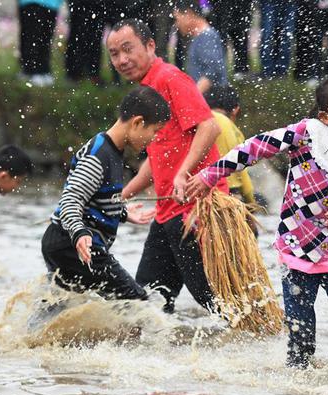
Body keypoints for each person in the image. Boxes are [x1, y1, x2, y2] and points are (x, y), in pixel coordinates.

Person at [187, 78, 328, 368]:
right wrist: (209, 175)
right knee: (302, 339)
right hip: (296, 249)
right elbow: (255, 148)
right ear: (325, 115)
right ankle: (295, 384)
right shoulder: (305, 133)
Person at [106, 18, 228, 314]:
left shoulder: (170, 78)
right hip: (167, 213)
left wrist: (184, 173)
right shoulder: (145, 90)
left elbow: (209, 127)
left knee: (215, 299)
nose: (121, 60)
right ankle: (157, 358)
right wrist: (120, 195)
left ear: (150, 46)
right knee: (148, 301)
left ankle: (259, 347)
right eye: (113, 54)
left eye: (127, 49)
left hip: (196, 209)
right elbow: (159, 157)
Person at [41, 86, 170, 300]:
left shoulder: (112, 150)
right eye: (155, 131)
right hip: (72, 243)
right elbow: (71, 200)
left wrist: (121, 213)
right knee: (136, 303)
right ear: (137, 122)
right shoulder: (98, 156)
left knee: (65, 306)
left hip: (65, 243)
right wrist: (80, 233)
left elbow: (94, 200)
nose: (154, 138)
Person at [203, 85, 256, 205]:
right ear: (236, 109)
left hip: (199, 189)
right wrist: (252, 204)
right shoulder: (232, 129)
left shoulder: (199, 122)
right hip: (228, 193)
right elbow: (242, 173)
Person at [173, 0, 228, 93]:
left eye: (177, 19)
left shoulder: (207, 37)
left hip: (212, 102)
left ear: (188, 14)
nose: (176, 24)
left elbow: (213, 70)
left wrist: (194, 96)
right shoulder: (201, 36)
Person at [17, 0, 63, 86]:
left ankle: (43, 69)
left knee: (46, 37)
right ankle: (31, 70)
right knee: (32, 36)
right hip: (32, 2)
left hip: (52, 4)